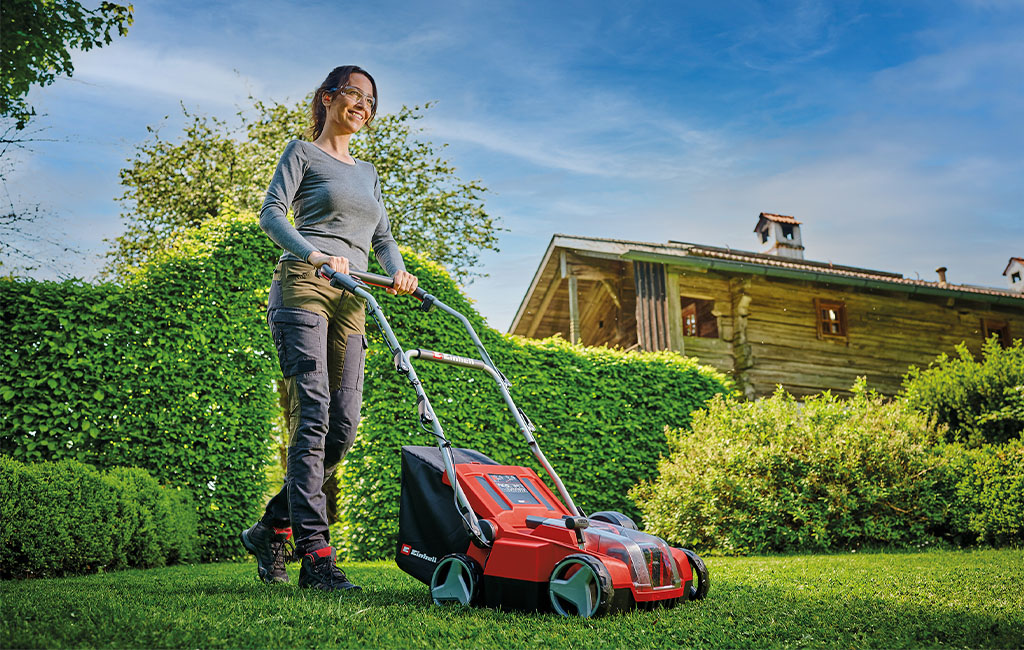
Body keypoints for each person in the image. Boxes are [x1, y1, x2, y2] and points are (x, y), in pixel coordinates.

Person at [240, 65, 418, 592]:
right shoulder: (302, 152)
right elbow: (272, 214)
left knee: (342, 423)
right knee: (313, 410)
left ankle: (271, 526)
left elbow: (382, 238)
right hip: (305, 284)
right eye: (354, 94)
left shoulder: (367, 173)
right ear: (328, 97)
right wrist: (314, 253)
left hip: (355, 296)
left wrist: (398, 272)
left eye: (371, 99)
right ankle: (316, 555)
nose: (363, 105)